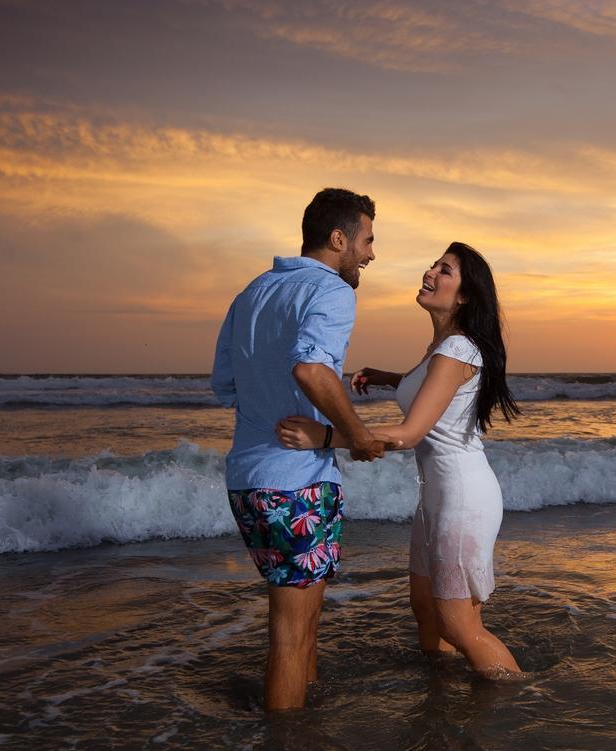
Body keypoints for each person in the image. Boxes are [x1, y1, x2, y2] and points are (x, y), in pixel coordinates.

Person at [276, 241, 524, 679]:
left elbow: (410, 435)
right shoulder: (443, 346)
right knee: (426, 612)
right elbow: (431, 388)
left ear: (464, 295)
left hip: (463, 501)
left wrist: (326, 435)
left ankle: (522, 699)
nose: (430, 272)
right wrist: (388, 377)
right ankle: (445, 695)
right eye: (434, 264)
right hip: (437, 499)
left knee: (460, 625)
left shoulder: (458, 349)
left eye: (444, 271)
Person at [211, 187, 396, 711]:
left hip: (248, 481)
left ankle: (305, 722)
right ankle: (286, 735)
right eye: (367, 240)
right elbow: (312, 368)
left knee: (302, 626)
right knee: (291, 637)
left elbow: (225, 385)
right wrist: (356, 435)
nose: (371, 254)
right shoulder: (334, 291)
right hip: (296, 484)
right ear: (339, 239)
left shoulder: (251, 293)